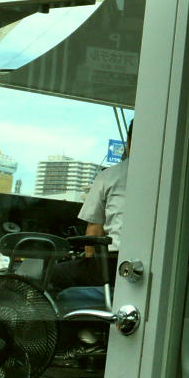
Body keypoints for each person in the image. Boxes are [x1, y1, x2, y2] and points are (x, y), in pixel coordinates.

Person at [48, 122, 131, 292]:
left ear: (129, 140)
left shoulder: (109, 176)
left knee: (52, 274)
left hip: (115, 264)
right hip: (153, 263)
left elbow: (94, 231)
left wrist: (90, 263)